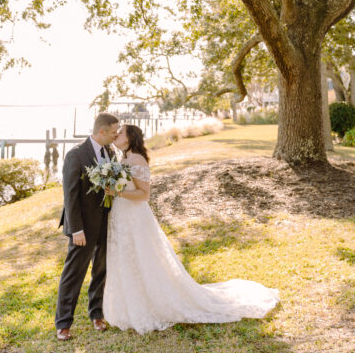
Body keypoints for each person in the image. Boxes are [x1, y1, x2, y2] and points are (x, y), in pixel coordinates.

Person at [103, 124, 279, 334]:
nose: (116, 135)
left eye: (120, 133)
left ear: (130, 138)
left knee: (143, 257)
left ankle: (154, 301)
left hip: (135, 218)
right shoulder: (121, 160)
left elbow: (144, 195)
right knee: (127, 259)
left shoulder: (138, 160)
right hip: (120, 216)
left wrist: (118, 193)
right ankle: (130, 304)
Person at [55, 112, 119, 341]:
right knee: (74, 274)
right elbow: (70, 197)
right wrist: (77, 230)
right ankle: (63, 324)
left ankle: (97, 314)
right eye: (113, 132)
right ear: (101, 131)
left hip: (105, 220)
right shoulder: (76, 156)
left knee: (100, 270)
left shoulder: (110, 152)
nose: (116, 135)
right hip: (82, 226)